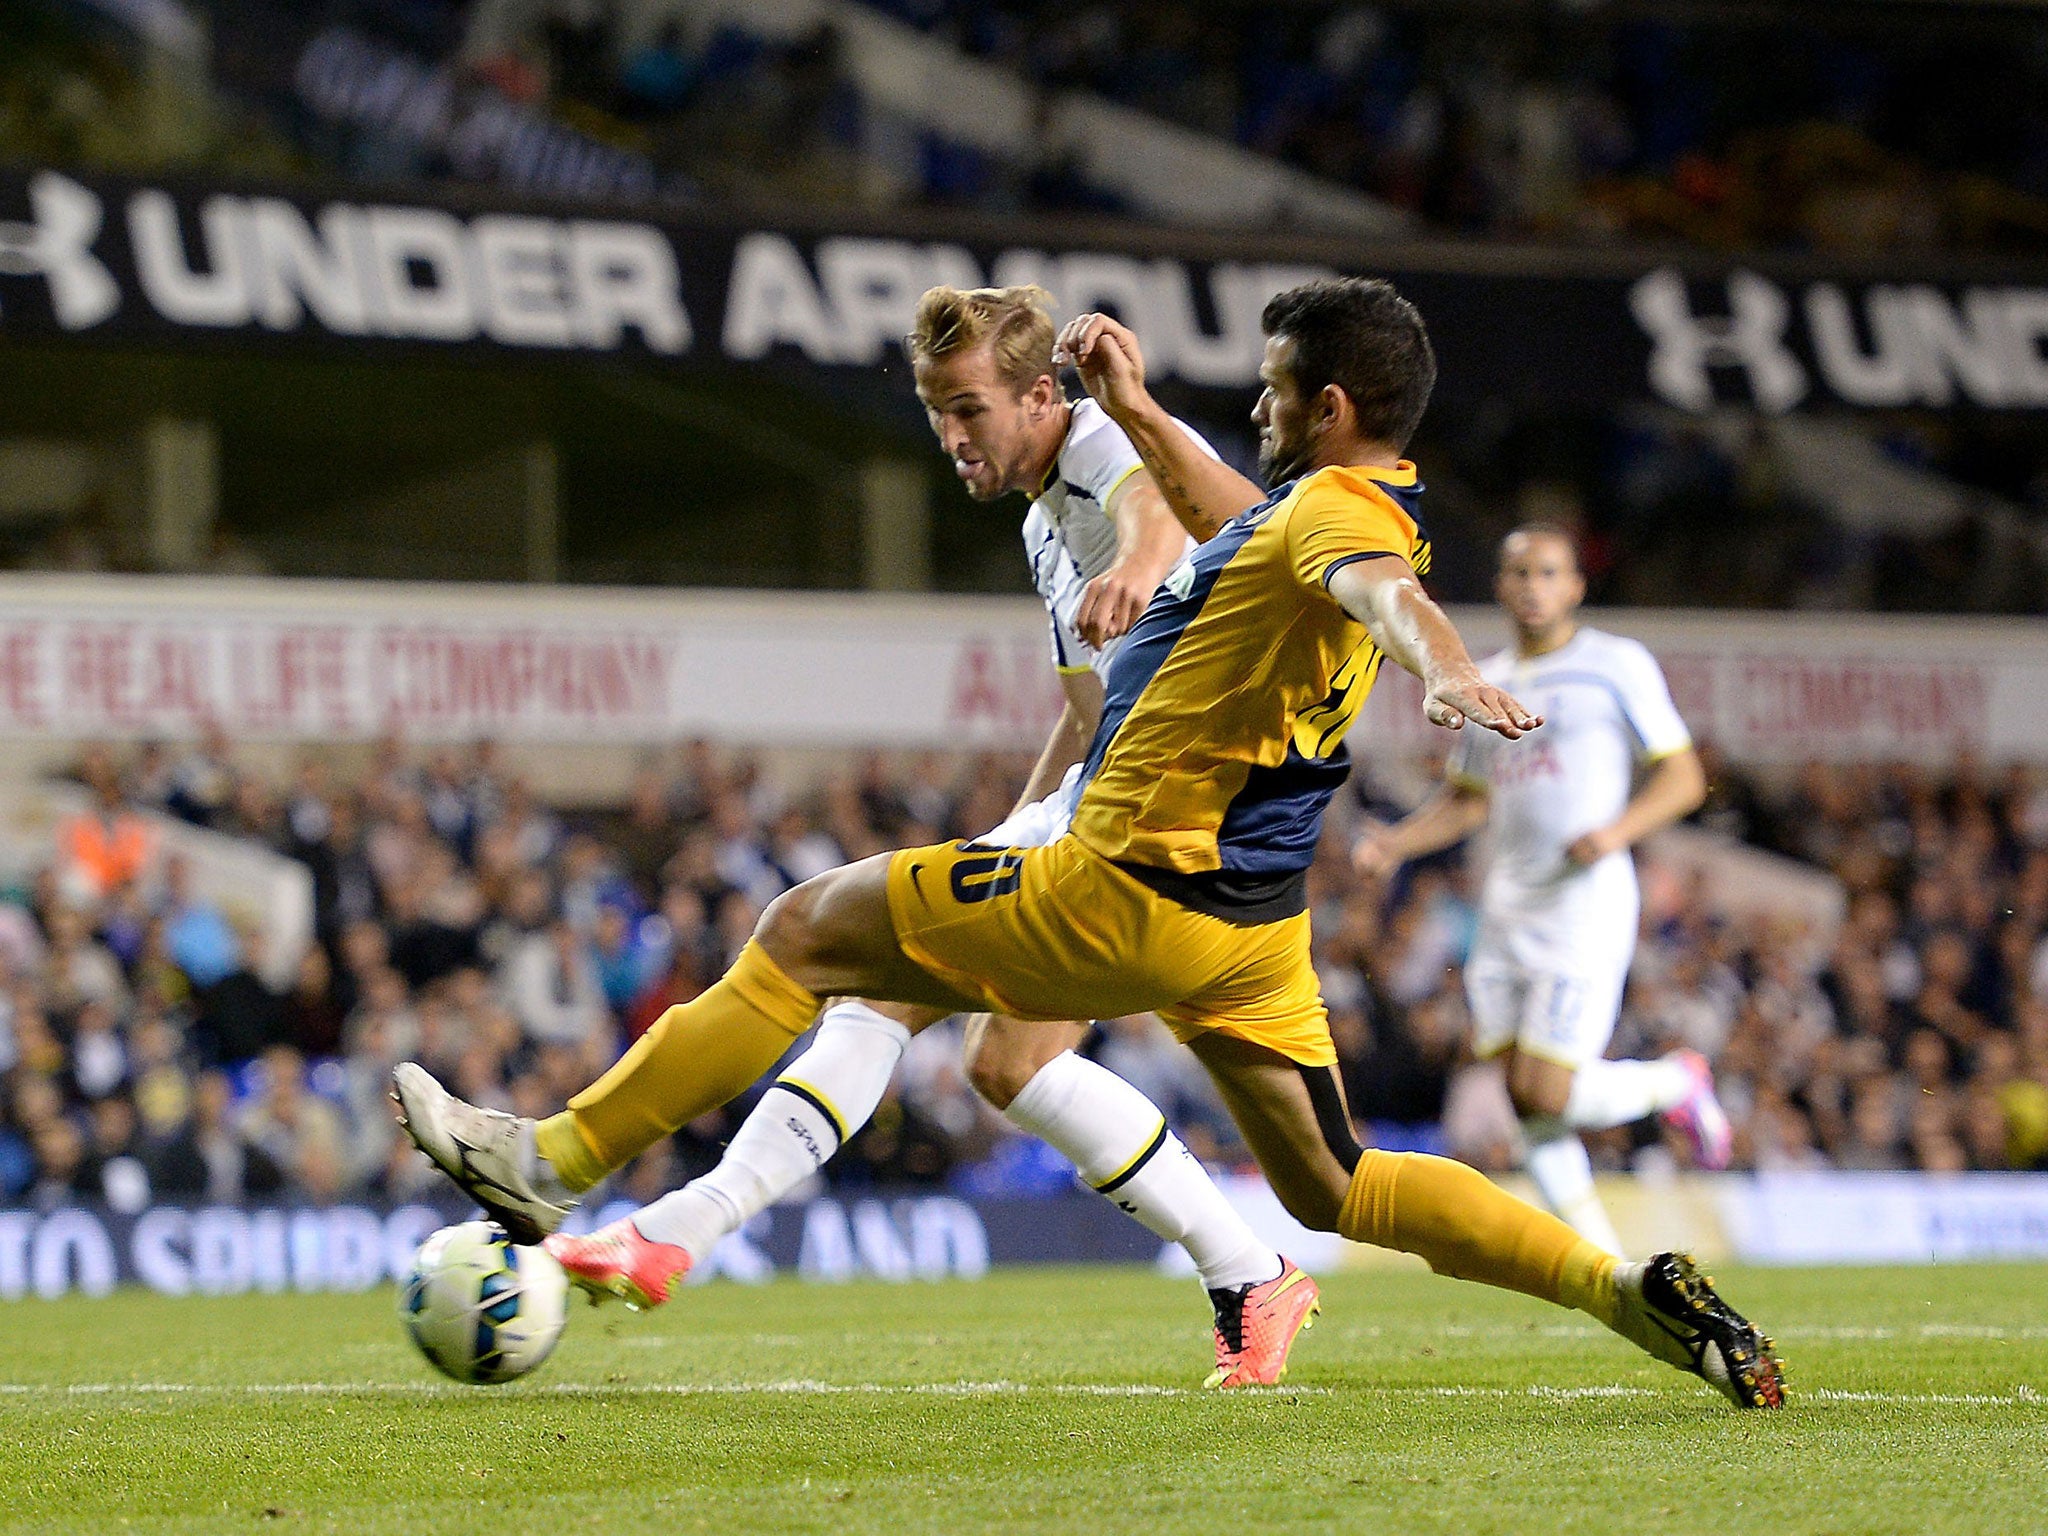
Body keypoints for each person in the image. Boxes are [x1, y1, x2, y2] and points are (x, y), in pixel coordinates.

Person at [396, 278, 1783, 1409]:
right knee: (1337, 1182)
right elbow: (1235, 514)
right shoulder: (1296, 508)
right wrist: (1141, 409)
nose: (1256, 404)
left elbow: (1369, 586)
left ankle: (562, 1162)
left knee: (808, 930)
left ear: (1330, 406)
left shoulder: (1343, 519)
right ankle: (1623, 1289)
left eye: (1275, 387)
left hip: (1123, 888)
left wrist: (1438, 662)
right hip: (1246, 937)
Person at [596, 283, 1310, 1388]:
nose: (949, 436)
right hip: (1119, 801)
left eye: (967, 408)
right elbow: (1084, 717)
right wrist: (1003, 833)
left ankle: (681, 1228)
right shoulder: (1038, 521)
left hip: (1179, 811)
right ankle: (1247, 1271)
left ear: (1039, 395)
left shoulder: (1100, 437)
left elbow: (1155, 505)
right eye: (935, 410)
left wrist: (1130, 568)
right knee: (1007, 1059)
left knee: (877, 975)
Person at [1353, 526, 1732, 1254]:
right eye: (1519, 572)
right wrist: (1396, 842)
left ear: (1575, 587)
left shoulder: (1615, 665)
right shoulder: (1484, 679)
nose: (1533, 585)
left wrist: (1617, 833)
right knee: (1522, 1098)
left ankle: (1677, 1083)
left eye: (1549, 572)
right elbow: (1467, 801)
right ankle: (1603, 1263)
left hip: (1583, 898)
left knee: (1549, 1088)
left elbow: (1683, 777)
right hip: (1506, 906)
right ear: (1501, 585)